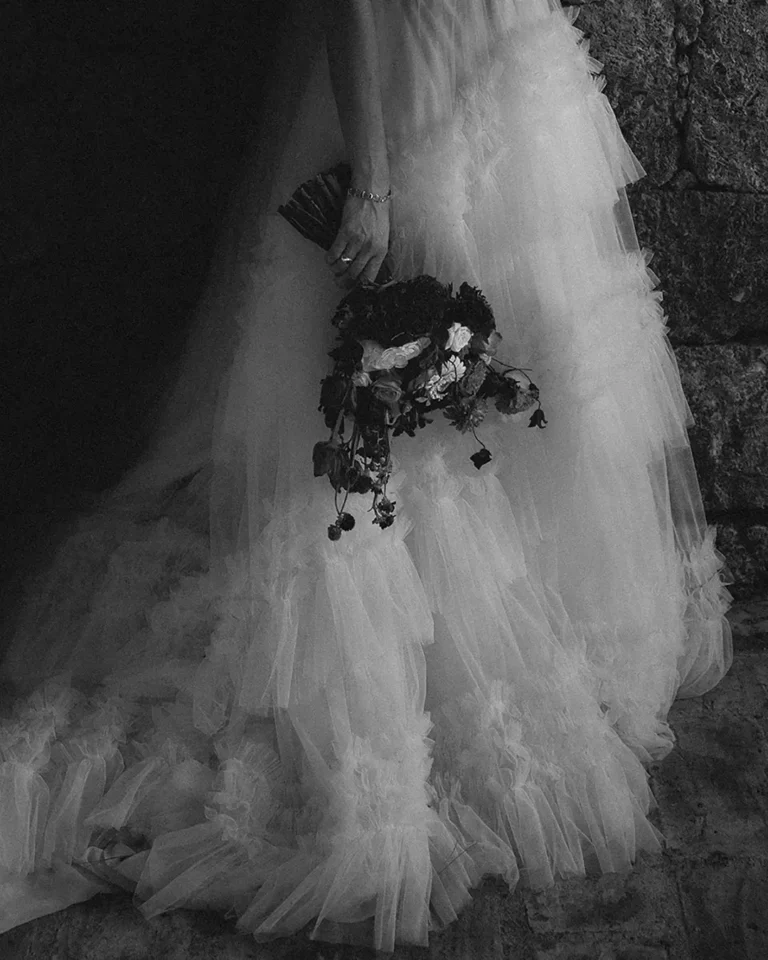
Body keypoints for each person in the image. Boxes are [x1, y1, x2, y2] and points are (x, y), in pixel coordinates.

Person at [0, 0, 732, 951]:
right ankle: (396, 664)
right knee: (394, 397)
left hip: (498, 62)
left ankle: (513, 632)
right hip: (408, 77)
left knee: (514, 364)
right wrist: (376, 185)